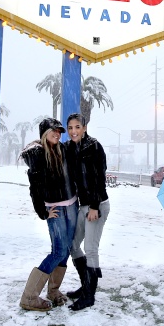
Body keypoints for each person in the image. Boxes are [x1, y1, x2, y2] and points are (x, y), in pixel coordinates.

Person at [19, 118, 78, 311]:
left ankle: (53, 291)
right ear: (45, 132)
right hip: (56, 209)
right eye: (54, 130)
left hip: (71, 206)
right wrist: (43, 211)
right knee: (58, 251)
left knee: (66, 250)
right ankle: (29, 296)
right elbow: (34, 188)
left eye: (60, 131)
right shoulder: (38, 155)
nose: (58, 134)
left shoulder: (62, 150)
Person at [64, 113, 110, 311]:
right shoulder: (70, 148)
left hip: (96, 205)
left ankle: (89, 296)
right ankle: (86, 286)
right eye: (70, 128)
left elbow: (99, 178)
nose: (73, 131)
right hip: (82, 205)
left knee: (91, 248)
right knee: (74, 244)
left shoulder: (94, 147)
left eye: (77, 127)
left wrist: (94, 206)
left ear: (84, 127)